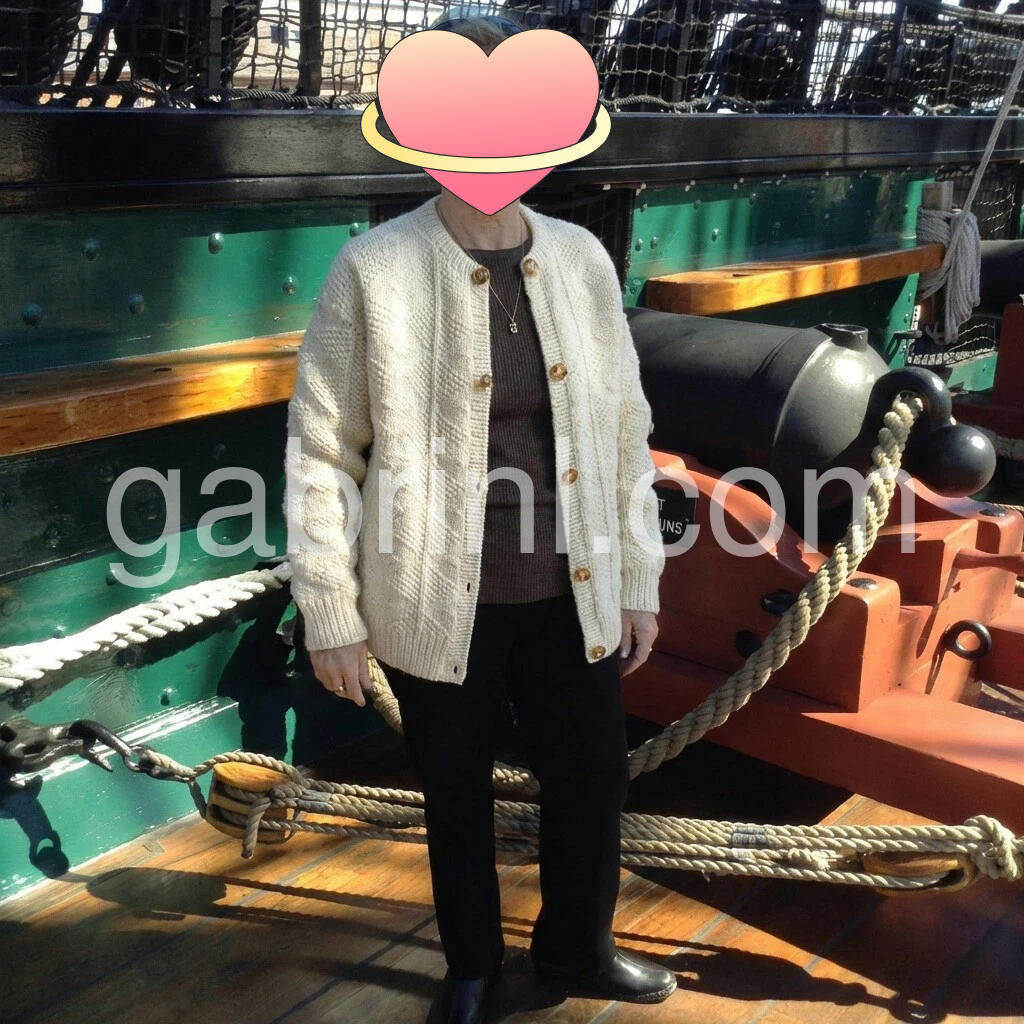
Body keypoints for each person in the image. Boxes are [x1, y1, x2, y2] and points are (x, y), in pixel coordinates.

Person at [284, 14, 673, 1022]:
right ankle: (471, 967)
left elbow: (623, 427)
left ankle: (579, 948)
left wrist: (636, 576)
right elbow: (323, 450)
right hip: (430, 593)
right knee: (452, 789)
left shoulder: (580, 258)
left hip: (572, 583)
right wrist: (330, 610)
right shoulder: (373, 268)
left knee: (592, 779)